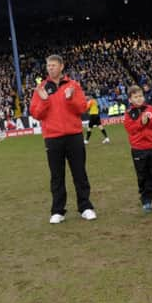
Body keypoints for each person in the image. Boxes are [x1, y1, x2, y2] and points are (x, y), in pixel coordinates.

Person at [29, 54, 97, 224]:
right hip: (53, 138)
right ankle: (58, 211)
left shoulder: (74, 85)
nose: (50, 68)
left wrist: (69, 98)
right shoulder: (42, 88)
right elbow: (36, 113)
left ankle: (85, 207)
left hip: (74, 135)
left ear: (61, 66)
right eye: (48, 65)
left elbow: (82, 108)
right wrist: (44, 100)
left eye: (53, 65)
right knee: (57, 176)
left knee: (79, 173)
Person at [123, 85, 152, 212]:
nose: (139, 99)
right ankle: (146, 199)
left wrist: (150, 120)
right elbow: (130, 129)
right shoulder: (129, 114)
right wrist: (142, 122)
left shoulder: (150, 108)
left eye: (141, 96)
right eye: (136, 97)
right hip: (138, 149)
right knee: (142, 175)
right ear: (130, 100)